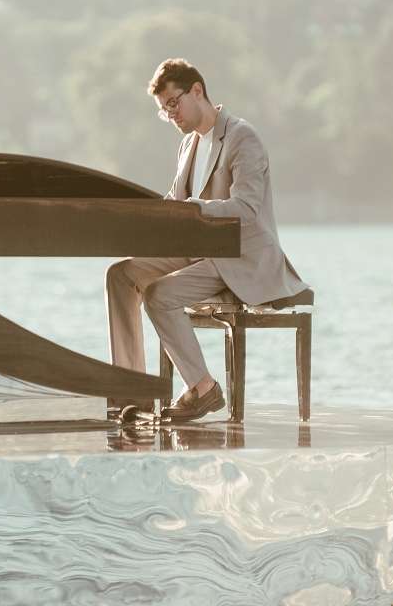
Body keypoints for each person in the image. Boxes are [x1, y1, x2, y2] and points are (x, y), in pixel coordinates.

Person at [106, 58, 305, 422]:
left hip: (241, 257)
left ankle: (203, 389)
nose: (171, 116)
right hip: (198, 253)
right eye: (164, 111)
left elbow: (246, 208)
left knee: (159, 294)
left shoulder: (243, 137)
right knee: (121, 274)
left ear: (197, 90)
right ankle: (129, 393)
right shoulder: (187, 147)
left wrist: (194, 209)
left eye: (172, 104)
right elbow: (173, 204)